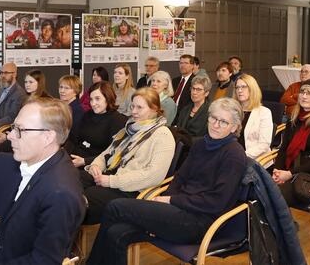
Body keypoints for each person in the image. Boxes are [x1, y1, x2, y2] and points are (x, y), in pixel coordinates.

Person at [86, 98, 247, 265]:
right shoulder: (201, 145)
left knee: (115, 206)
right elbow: (180, 178)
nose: (215, 125)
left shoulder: (234, 155)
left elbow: (216, 202)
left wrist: (170, 200)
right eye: (213, 118)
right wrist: (165, 203)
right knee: (116, 233)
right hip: (178, 211)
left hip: (200, 222)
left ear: (234, 127)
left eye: (223, 122)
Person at [0, 99, 86, 265]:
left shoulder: (60, 193)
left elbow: (44, 261)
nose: (10, 136)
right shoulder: (34, 164)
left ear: (47, 137)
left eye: (20, 130)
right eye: (13, 128)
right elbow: (8, 216)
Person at [81, 88, 175, 224]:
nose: (134, 111)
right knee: (73, 179)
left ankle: (62, 232)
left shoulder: (162, 135)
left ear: (154, 109)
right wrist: (96, 165)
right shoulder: (129, 129)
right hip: (112, 176)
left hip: (132, 189)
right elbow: (106, 153)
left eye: (139, 107)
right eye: (132, 106)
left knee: (86, 198)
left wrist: (112, 181)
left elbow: (153, 176)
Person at [66, 81, 127, 168]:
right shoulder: (88, 114)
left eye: (97, 99)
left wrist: (85, 161)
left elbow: (113, 153)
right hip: (76, 157)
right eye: (91, 99)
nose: (93, 103)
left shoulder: (117, 120)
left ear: (108, 98)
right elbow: (75, 138)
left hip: (95, 164)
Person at [233, 74, 273, 160]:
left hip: (255, 159)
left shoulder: (264, 112)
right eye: (237, 87)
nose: (239, 90)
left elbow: (264, 145)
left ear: (252, 89)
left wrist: (240, 156)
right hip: (232, 156)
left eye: (243, 87)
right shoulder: (232, 111)